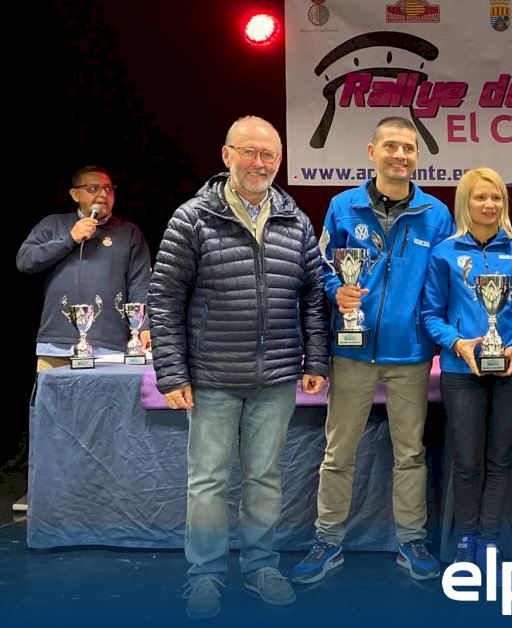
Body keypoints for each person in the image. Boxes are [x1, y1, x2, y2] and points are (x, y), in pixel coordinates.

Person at [149, 115, 328, 619]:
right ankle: (205, 575)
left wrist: (315, 357)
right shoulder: (193, 218)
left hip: (276, 377)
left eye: (269, 154)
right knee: (208, 481)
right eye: (249, 152)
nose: (259, 163)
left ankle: (261, 567)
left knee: (265, 479)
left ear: (280, 161)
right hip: (212, 377)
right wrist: (172, 372)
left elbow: (313, 296)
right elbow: (164, 298)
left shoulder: (297, 221)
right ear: (226, 155)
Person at [292, 116, 453, 585]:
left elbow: (443, 282)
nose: (400, 155)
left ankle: (411, 540)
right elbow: (322, 268)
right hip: (352, 352)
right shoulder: (342, 207)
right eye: (391, 146)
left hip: (410, 354)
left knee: (411, 453)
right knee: (338, 452)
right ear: (372, 151)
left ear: (417, 157)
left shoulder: (436, 214)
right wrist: (336, 290)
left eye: (408, 148)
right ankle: (327, 540)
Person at [421, 167, 512, 565]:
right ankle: (464, 543)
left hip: (511, 371)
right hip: (462, 373)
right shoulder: (443, 254)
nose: (489, 205)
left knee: (500, 460)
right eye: (480, 197)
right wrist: (458, 343)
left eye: (496, 198)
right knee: (467, 462)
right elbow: (430, 315)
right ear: (465, 203)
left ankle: (489, 540)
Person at [14, 166, 153, 512]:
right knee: (50, 420)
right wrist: (70, 239)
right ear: (74, 194)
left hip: (109, 345)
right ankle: (42, 492)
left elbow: (141, 283)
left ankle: (102, 492)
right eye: (93, 188)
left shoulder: (128, 233)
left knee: (104, 422)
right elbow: (25, 261)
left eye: (109, 189)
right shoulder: (54, 225)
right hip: (57, 342)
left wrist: (145, 325)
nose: (102, 195)